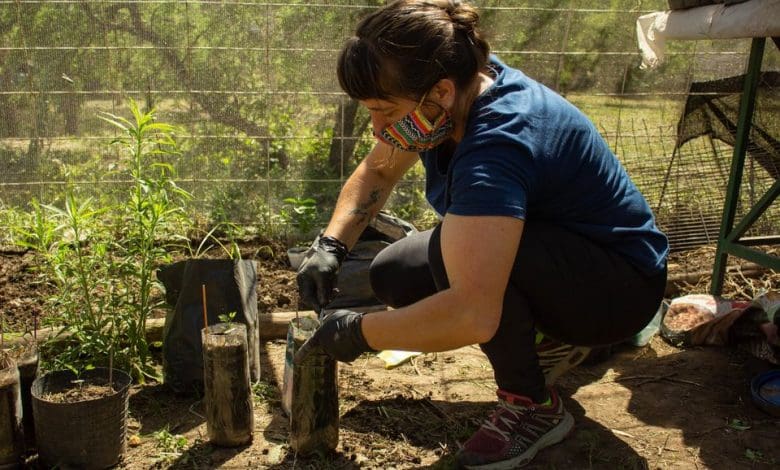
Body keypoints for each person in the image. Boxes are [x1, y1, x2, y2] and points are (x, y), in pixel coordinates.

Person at [295, 1, 669, 468]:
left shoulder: (497, 143)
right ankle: (546, 339)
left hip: (619, 287)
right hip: (565, 254)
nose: (377, 128)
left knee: (453, 266)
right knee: (393, 272)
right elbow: (377, 172)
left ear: (441, 92)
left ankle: (532, 406)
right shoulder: (457, 90)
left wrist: (355, 333)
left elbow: (472, 314)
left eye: (384, 111)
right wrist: (331, 245)